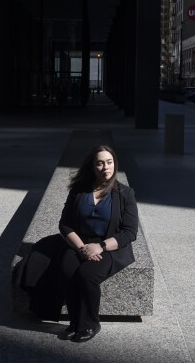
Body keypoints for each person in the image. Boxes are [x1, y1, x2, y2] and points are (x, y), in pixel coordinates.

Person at [57, 145, 139, 342]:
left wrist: (100, 246)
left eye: (109, 162)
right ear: (93, 167)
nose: (106, 167)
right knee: (67, 270)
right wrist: (81, 248)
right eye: (100, 163)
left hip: (111, 246)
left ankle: (91, 323)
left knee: (87, 274)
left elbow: (129, 232)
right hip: (81, 243)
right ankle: (75, 323)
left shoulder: (125, 194)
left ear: (114, 165)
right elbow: (65, 224)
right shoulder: (78, 190)